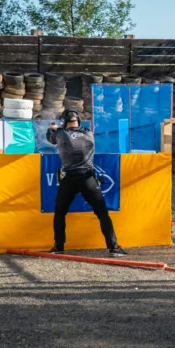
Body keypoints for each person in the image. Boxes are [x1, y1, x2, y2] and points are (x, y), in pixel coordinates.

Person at [46, 109, 127, 257]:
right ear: (78, 120)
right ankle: (113, 247)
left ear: (64, 121)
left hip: (69, 178)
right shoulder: (88, 133)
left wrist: (52, 128)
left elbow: (51, 139)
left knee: (59, 213)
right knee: (102, 213)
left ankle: (58, 246)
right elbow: (73, 135)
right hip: (88, 178)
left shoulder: (60, 134)